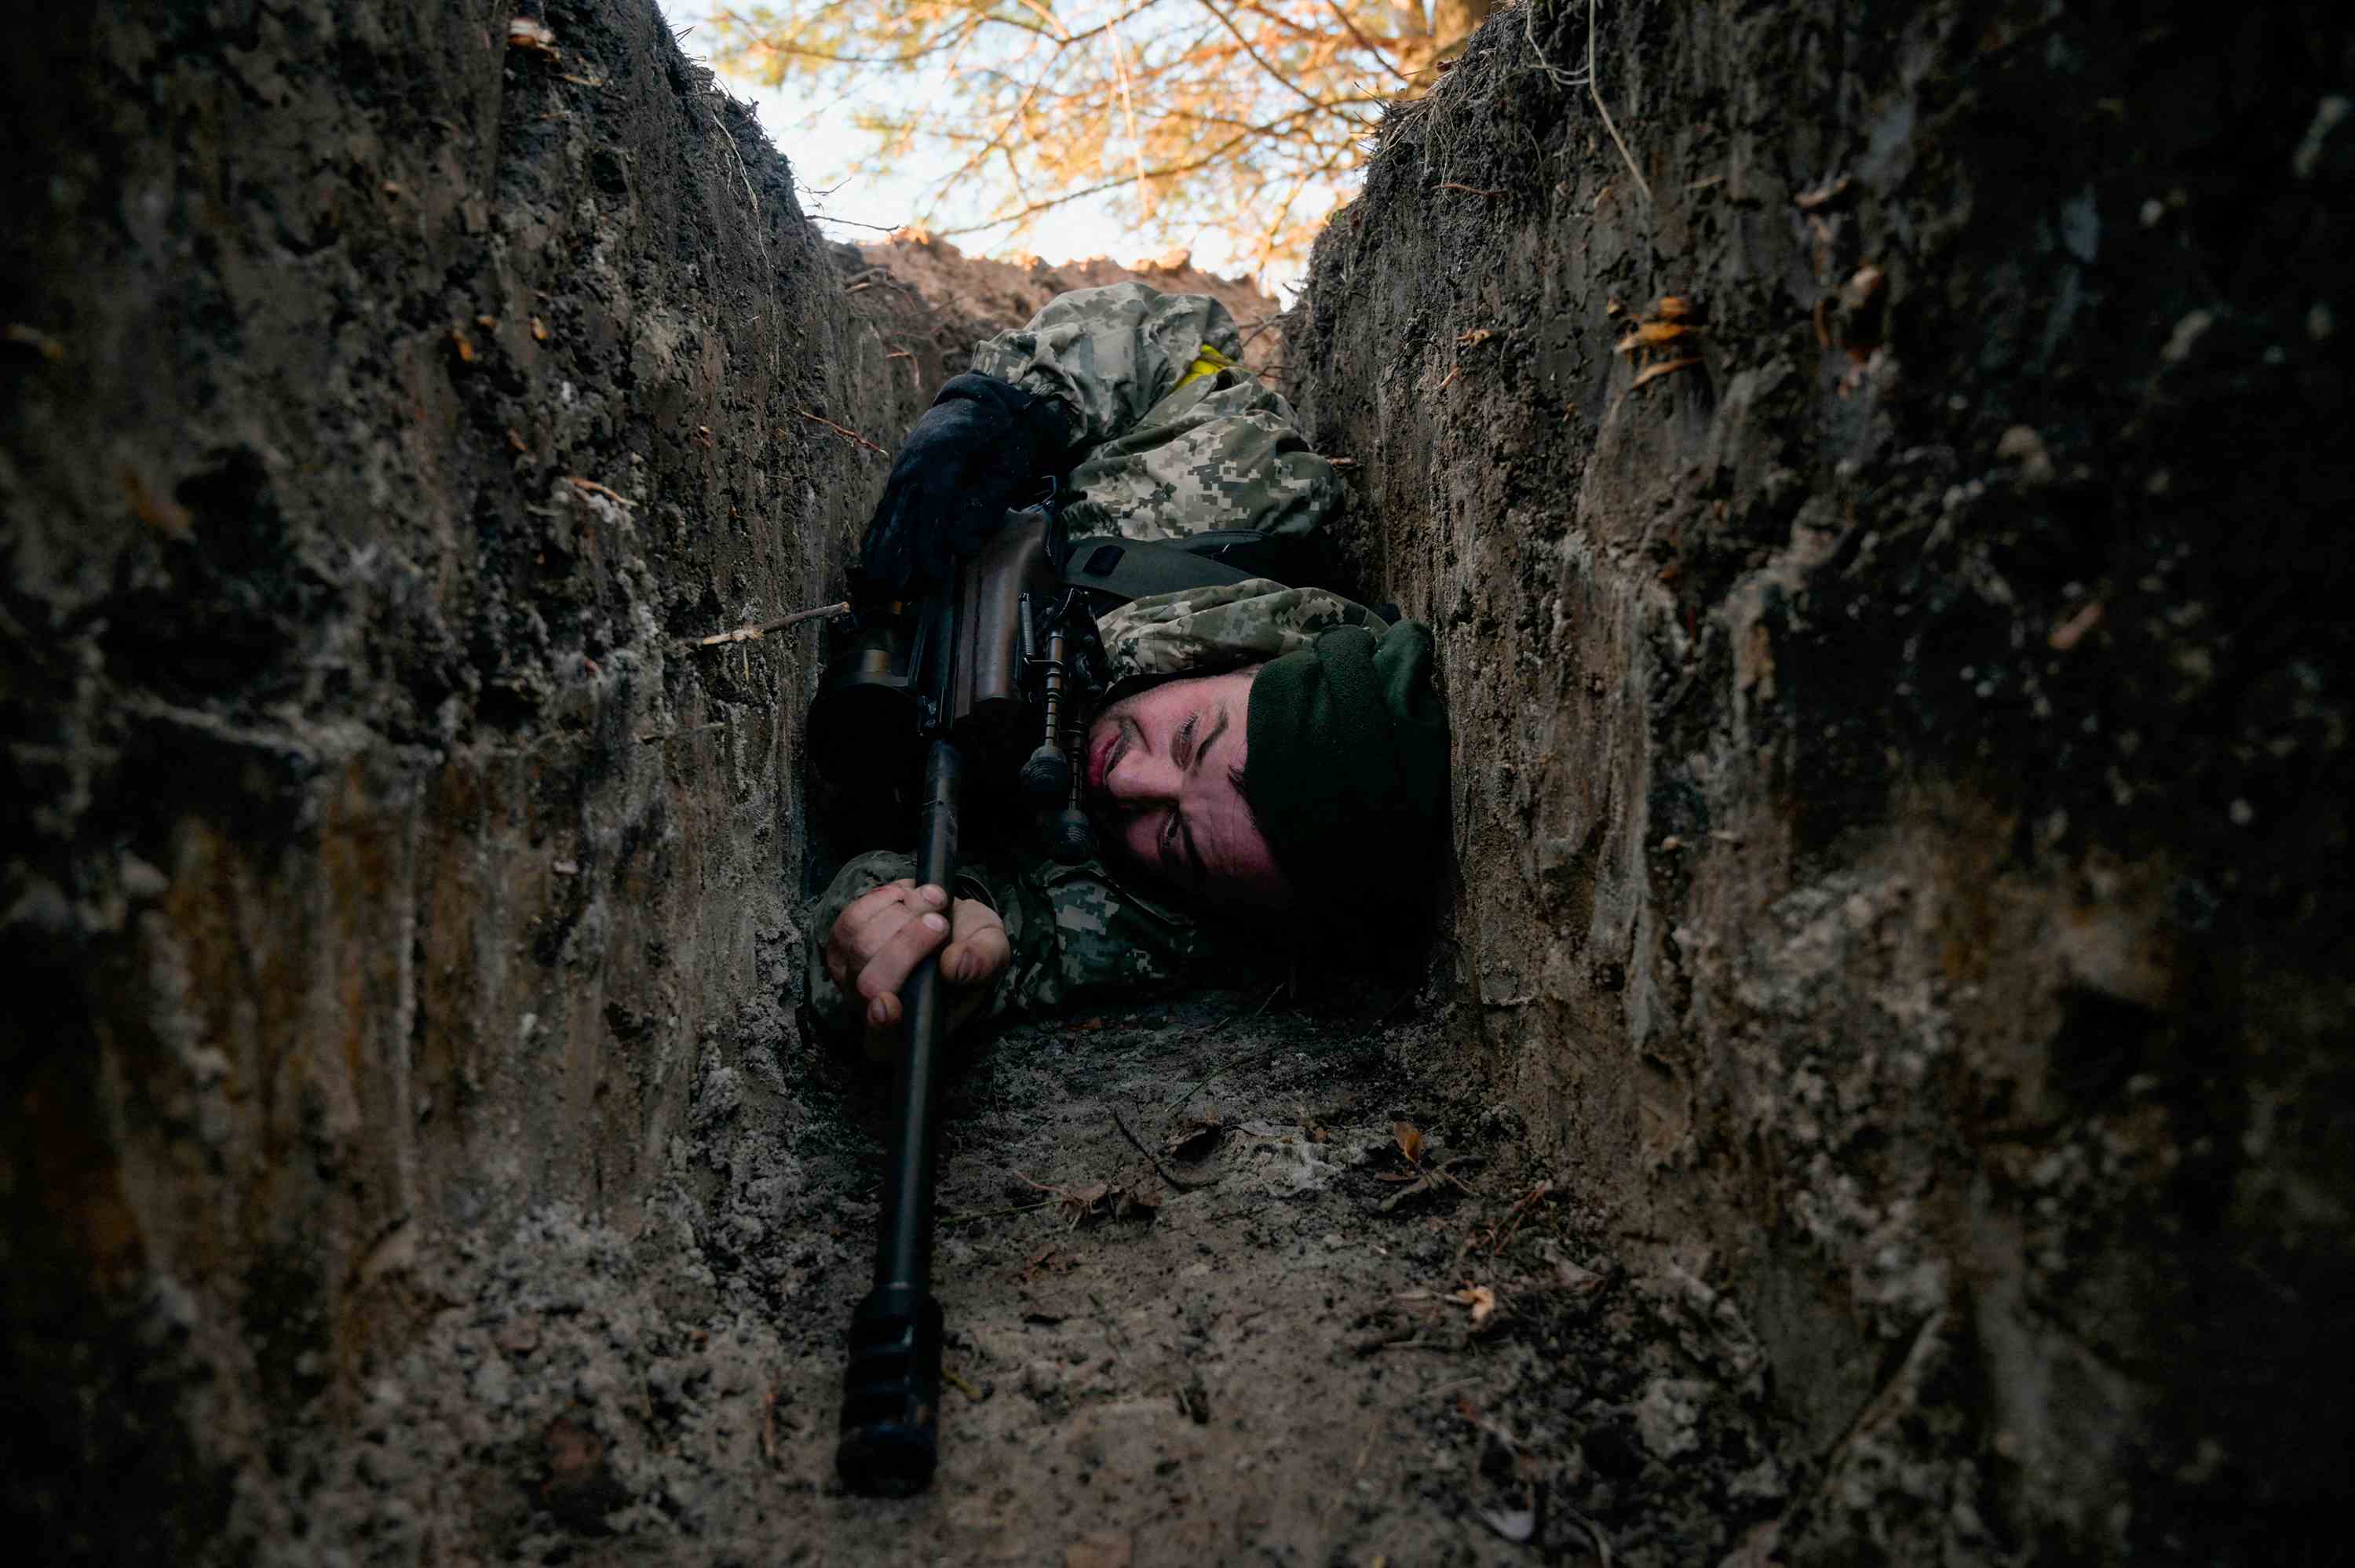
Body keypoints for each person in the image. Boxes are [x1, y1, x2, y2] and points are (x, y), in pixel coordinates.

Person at [805, 283, 1448, 1055]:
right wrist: (1010, 407)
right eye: (1188, 740)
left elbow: (984, 939)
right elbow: (1179, 328)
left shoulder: (1182, 914)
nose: (1128, 785)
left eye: (1176, 837)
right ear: (1253, 661)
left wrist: (911, 936)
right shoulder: (1251, 496)